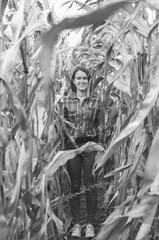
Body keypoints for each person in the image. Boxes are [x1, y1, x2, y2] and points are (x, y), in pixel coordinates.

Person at [62, 66, 105, 238]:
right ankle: (76, 223)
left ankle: (90, 224)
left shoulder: (96, 101)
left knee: (90, 186)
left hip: (90, 147)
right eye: (78, 78)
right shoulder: (65, 101)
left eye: (84, 78)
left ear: (88, 81)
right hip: (72, 148)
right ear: (73, 81)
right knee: (74, 186)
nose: (81, 81)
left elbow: (101, 125)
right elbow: (62, 126)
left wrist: (101, 147)